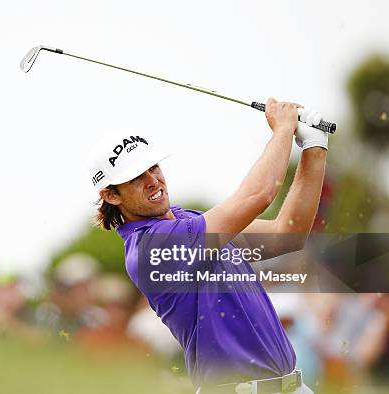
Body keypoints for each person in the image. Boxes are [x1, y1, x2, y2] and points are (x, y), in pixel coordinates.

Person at [88, 98, 328, 394]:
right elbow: (259, 195)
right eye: (135, 178)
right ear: (111, 196)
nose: (153, 180)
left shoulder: (188, 220)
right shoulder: (151, 246)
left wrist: (314, 149)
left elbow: (287, 233)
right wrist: (283, 130)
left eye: (153, 167)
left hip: (293, 386)